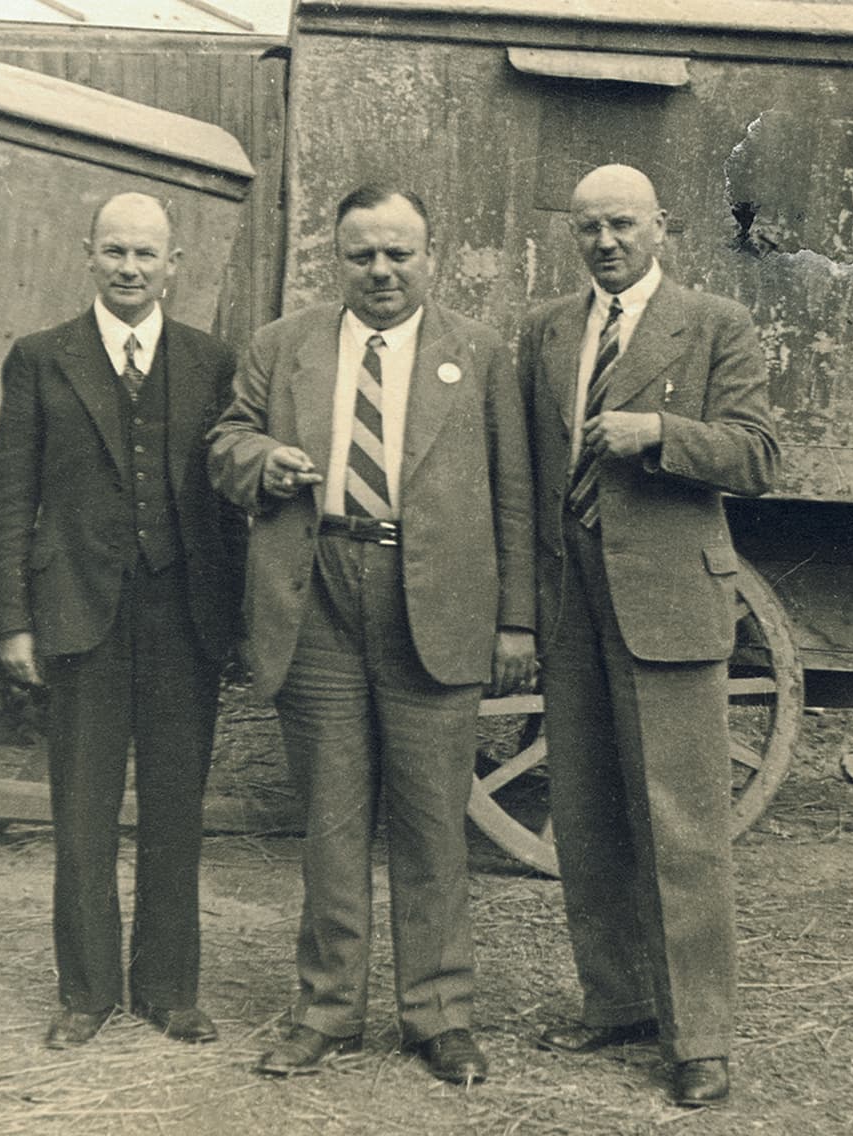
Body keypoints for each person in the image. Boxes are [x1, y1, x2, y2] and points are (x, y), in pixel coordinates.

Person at [208, 185, 536, 1084]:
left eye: (399, 254)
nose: (382, 272)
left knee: (433, 824)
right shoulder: (286, 347)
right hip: (315, 595)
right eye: (363, 256)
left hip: (432, 600)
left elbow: (515, 492)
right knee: (331, 818)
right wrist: (262, 461)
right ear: (336, 259)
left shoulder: (479, 354)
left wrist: (517, 618)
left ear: (431, 255)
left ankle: (439, 1016)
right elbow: (224, 440)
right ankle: (327, 1010)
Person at [517, 164, 779, 1107]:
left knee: (681, 826)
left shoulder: (714, 325)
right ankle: (617, 1003)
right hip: (571, 598)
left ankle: (700, 1036)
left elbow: (758, 454)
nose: (606, 243)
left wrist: (659, 432)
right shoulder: (549, 329)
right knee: (583, 811)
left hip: (670, 602)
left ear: (661, 226)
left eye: (622, 225)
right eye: (588, 229)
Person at [0, 192, 242, 1049]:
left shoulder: (212, 361)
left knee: (177, 808)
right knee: (83, 811)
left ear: (175, 265)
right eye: (115, 252)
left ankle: (170, 990)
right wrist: (13, 621)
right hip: (78, 613)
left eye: (147, 255)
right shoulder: (39, 359)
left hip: (183, 616)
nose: (130, 269)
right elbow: (11, 496)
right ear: (86, 255)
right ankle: (85, 992)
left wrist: (237, 621)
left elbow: (229, 508)